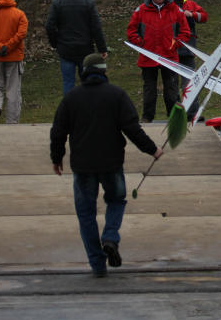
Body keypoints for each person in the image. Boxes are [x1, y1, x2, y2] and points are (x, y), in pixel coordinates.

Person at [50, 53, 163, 277]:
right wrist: (152, 149)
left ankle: (98, 265)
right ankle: (110, 237)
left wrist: (57, 158)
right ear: (104, 71)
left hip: (82, 166)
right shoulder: (117, 95)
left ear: (84, 71)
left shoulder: (72, 97)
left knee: (86, 214)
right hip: (111, 163)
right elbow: (132, 128)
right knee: (116, 201)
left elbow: (58, 132)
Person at [127, 0, 191, 122]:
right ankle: (147, 118)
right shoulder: (141, 10)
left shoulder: (175, 9)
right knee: (149, 90)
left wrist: (175, 44)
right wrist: (141, 43)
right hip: (148, 58)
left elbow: (185, 32)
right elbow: (131, 31)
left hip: (170, 57)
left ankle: (174, 118)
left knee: (171, 90)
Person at [45, 0, 108, 95]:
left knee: (68, 82)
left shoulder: (57, 3)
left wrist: (55, 43)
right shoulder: (89, 2)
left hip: (65, 49)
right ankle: (86, 108)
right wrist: (102, 48)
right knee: (87, 80)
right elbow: (96, 27)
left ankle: (69, 110)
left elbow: (49, 26)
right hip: (85, 48)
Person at [168, 0, 208, 121]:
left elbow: (204, 16)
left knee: (189, 84)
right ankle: (176, 115)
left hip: (188, 50)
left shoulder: (190, 4)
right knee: (172, 86)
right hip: (170, 51)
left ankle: (192, 114)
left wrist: (191, 14)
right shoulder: (165, 4)